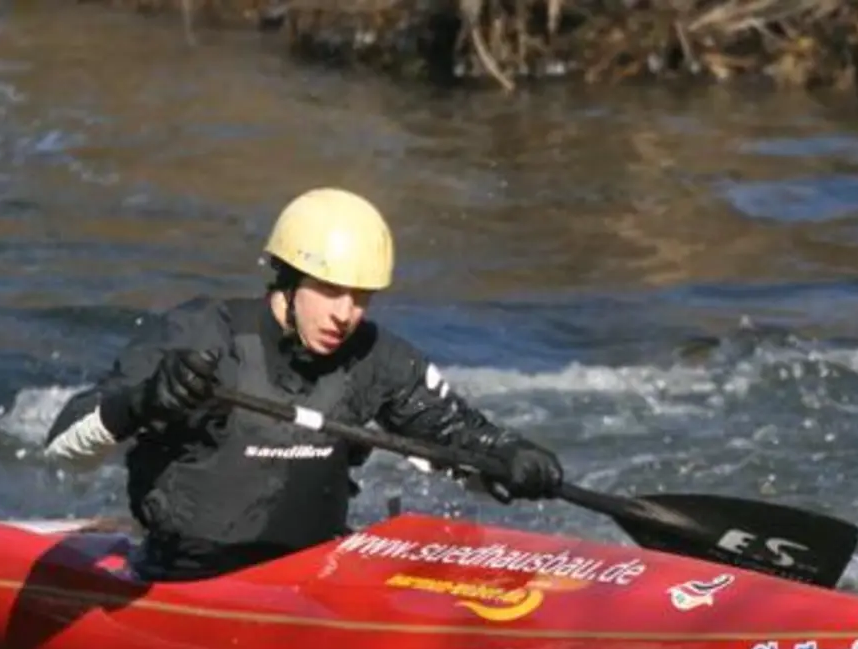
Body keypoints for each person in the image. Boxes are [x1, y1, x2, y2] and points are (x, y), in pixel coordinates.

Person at [41, 187, 564, 581]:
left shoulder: (375, 357)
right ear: (287, 281)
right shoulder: (200, 334)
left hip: (309, 583)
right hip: (185, 580)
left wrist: (508, 456)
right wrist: (144, 401)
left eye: (361, 296)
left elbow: (452, 436)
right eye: (331, 290)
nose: (346, 314)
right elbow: (63, 449)